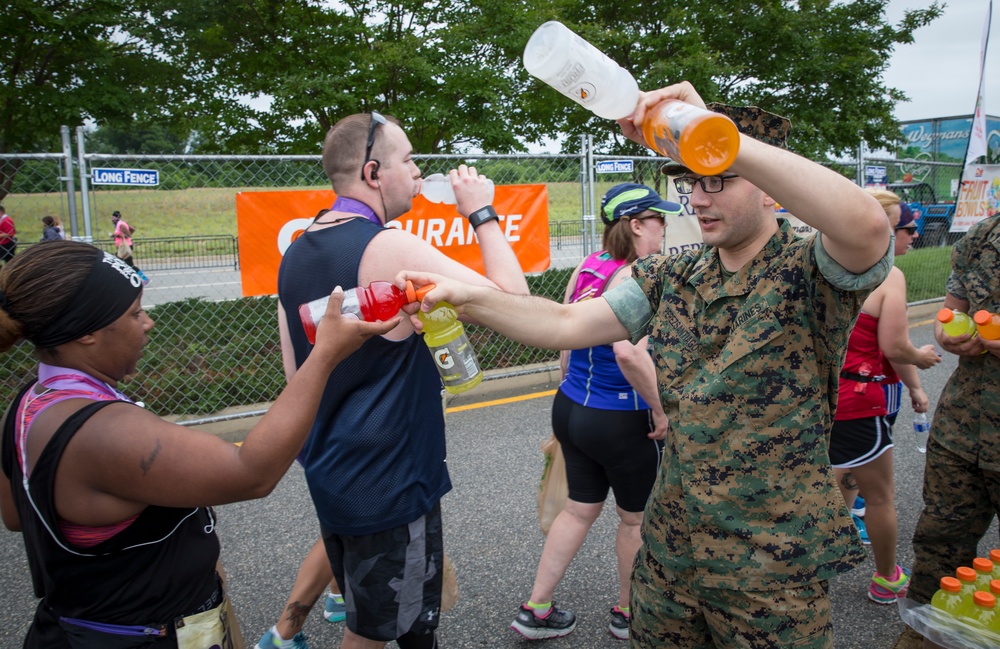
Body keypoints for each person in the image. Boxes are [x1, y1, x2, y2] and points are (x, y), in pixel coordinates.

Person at [398, 80, 894, 648]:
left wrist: (715, 137)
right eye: (688, 183)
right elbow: (563, 325)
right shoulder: (672, 273)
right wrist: (465, 296)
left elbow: (867, 228)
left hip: (770, 568)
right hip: (670, 557)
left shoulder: (811, 270)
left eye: (716, 180)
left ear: (770, 190)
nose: (697, 200)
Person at [0, 240, 398, 648]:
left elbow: (16, 515)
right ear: (85, 332)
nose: (148, 322)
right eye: (134, 313)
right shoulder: (104, 432)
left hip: (72, 626)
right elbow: (250, 474)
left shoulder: (31, 401)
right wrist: (325, 356)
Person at [265, 111, 528, 649]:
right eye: (407, 160)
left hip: (334, 474)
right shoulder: (384, 247)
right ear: (372, 172)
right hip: (389, 482)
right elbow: (516, 302)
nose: (417, 171)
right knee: (378, 632)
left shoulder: (296, 251)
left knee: (395, 626)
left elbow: (298, 377)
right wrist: (481, 211)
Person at [510, 183, 674, 642]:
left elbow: (565, 334)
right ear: (638, 225)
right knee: (635, 519)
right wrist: (660, 412)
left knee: (579, 510)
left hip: (572, 406)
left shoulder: (589, 264)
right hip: (619, 416)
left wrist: (571, 391)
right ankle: (627, 614)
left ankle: (536, 609)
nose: (665, 228)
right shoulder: (637, 275)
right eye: (659, 219)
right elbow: (629, 355)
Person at [828, 188, 940, 606]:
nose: (913, 236)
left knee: (824, 485)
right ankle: (887, 577)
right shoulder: (887, 274)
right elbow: (895, 346)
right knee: (879, 497)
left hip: (821, 395)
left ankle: (807, 573)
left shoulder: (820, 263)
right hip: (861, 401)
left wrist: (912, 386)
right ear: (887, 229)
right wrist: (922, 358)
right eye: (908, 228)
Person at [893, 212, 1000, 649]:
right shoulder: (985, 235)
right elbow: (950, 311)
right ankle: (924, 634)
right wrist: (945, 331)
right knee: (940, 541)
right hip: (963, 429)